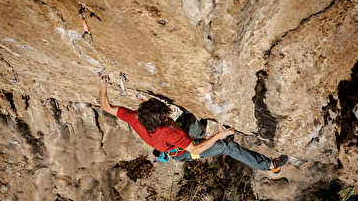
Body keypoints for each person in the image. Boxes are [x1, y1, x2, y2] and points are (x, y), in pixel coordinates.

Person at [97, 73, 288, 173]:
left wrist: (103, 86)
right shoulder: (171, 133)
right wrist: (219, 135)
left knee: (188, 117)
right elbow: (194, 151)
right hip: (185, 152)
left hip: (179, 139)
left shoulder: (136, 118)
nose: (169, 113)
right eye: (166, 116)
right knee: (227, 146)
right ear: (161, 123)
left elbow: (106, 106)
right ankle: (269, 165)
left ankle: (199, 132)